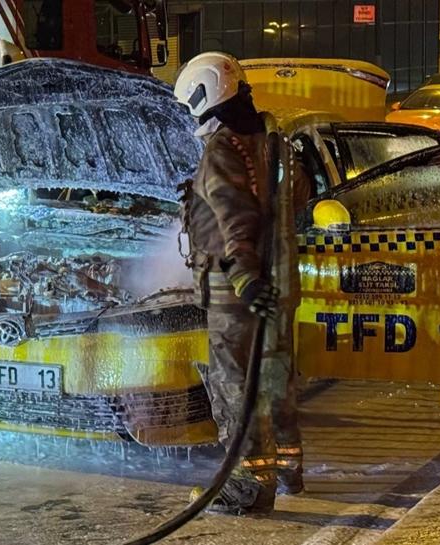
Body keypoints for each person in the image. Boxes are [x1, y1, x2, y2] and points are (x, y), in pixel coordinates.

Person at [174, 52, 303, 515]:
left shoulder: (223, 147)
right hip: (276, 284)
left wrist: (244, 274)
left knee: (235, 390)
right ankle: (288, 472)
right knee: (274, 380)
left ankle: (247, 489)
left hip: (236, 291)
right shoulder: (270, 140)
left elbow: (236, 216)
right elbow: (285, 200)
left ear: (202, 94)